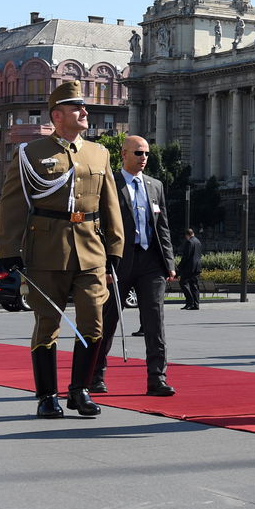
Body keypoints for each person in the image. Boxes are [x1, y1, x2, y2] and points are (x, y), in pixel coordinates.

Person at [0, 81, 124, 419]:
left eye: (85, 108)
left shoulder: (100, 153)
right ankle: (46, 395)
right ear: (57, 115)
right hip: (47, 247)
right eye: (77, 108)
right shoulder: (31, 153)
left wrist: (115, 246)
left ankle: (80, 390)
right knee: (47, 322)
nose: (85, 113)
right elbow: (12, 205)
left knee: (94, 322)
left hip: (92, 248)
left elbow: (110, 203)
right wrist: (9, 249)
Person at [92, 135, 177, 397]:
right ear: (124, 154)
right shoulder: (109, 184)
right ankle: (95, 375)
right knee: (107, 321)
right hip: (117, 263)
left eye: (147, 154)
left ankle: (157, 378)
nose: (143, 158)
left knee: (154, 321)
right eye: (138, 153)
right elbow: (99, 226)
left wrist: (170, 263)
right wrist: (103, 264)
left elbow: (162, 227)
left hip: (151, 262)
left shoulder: (155, 186)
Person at [178, 228, 202, 309]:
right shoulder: (198, 241)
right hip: (197, 267)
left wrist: (179, 267)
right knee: (194, 286)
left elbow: (186, 256)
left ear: (187, 235)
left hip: (189, 267)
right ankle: (196, 304)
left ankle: (190, 302)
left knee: (183, 283)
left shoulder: (189, 242)